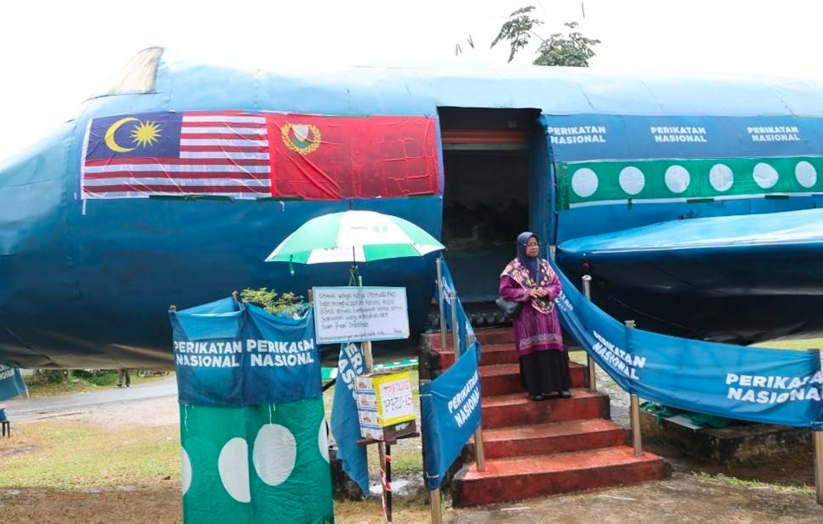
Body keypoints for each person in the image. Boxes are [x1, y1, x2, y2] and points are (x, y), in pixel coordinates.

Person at [499, 232, 572, 401]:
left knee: (554, 349)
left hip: (548, 317)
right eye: (530, 245)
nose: (534, 248)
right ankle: (535, 390)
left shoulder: (545, 265)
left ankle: (561, 387)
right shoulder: (513, 269)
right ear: (522, 247)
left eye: (536, 244)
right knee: (532, 349)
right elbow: (505, 291)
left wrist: (546, 291)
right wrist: (529, 292)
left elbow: (557, 285)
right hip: (528, 318)